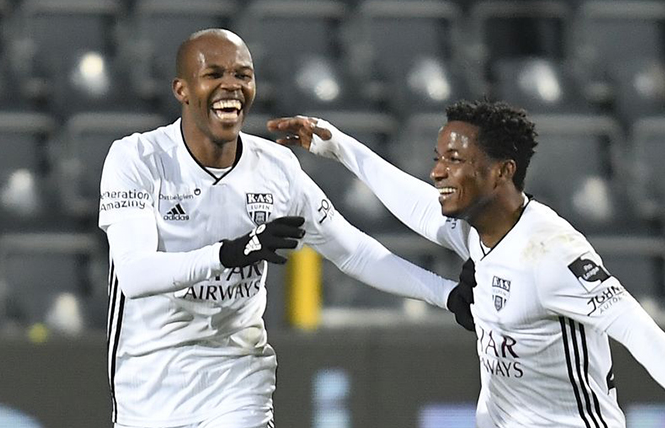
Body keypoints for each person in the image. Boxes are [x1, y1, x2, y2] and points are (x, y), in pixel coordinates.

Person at [97, 28, 468, 428]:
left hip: (237, 377)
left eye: (243, 75)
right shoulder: (137, 159)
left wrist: (446, 295)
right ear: (182, 90)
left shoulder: (276, 168)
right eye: (214, 74)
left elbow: (352, 251)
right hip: (149, 383)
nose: (231, 86)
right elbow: (135, 275)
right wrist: (230, 253)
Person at [268, 100, 665, 428]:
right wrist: (339, 146)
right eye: (438, 157)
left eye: (454, 160)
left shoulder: (551, 253)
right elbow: (413, 204)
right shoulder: (475, 228)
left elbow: (644, 336)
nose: (437, 172)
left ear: (501, 172)